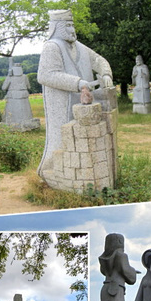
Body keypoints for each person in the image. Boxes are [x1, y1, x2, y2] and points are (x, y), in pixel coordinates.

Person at [36, 9, 113, 177]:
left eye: (73, 25)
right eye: (68, 25)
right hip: (62, 106)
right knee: (61, 145)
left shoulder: (80, 47)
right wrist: (78, 83)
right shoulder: (51, 47)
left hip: (84, 105)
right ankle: (54, 174)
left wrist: (106, 73)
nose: (72, 29)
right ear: (58, 26)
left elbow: (98, 60)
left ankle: (85, 174)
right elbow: (45, 75)